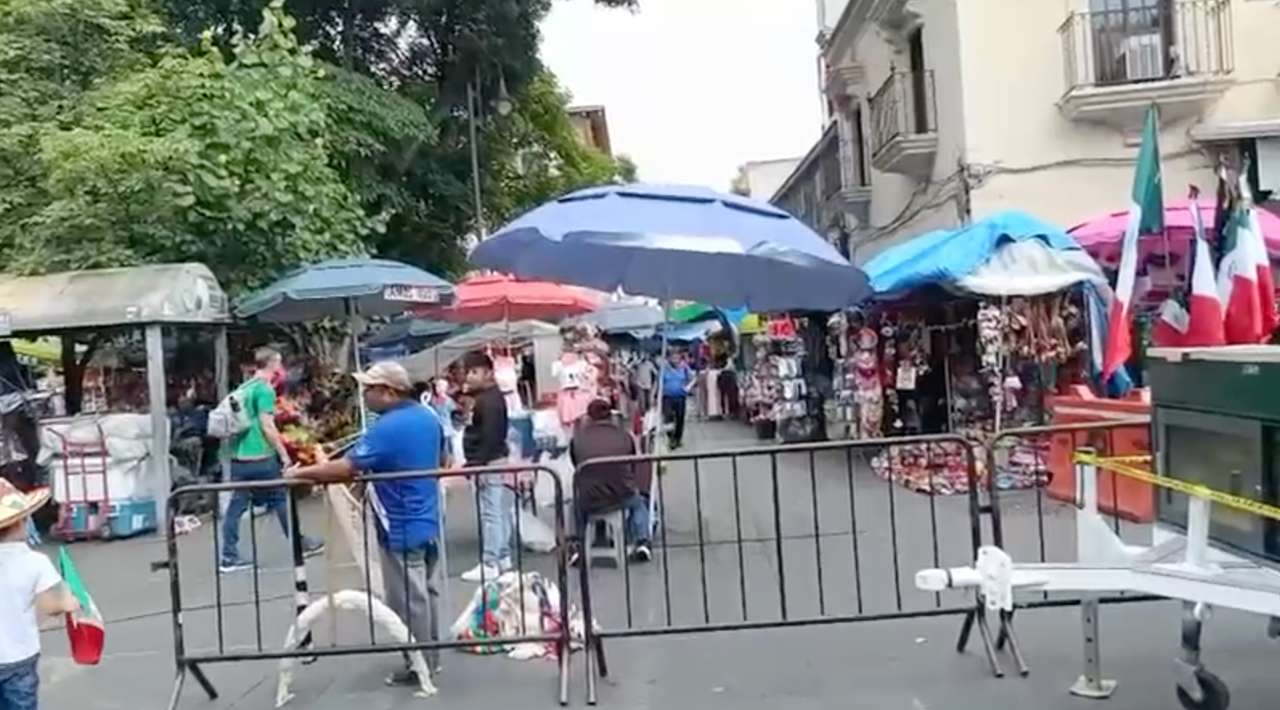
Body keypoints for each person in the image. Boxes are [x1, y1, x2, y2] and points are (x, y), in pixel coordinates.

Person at [286, 361, 443, 686]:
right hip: (427, 517)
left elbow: (348, 467)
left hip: (401, 522)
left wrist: (300, 474)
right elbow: (442, 459)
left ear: (388, 391)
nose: (365, 395)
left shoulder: (389, 426)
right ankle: (430, 658)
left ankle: (421, 664)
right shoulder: (428, 416)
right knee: (425, 594)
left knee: (408, 600)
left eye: (369, 389)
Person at [219, 347, 323, 573]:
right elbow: (267, 426)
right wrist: (283, 453)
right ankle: (300, 544)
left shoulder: (244, 388)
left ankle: (228, 555)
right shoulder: (264, 390)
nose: (281, 367)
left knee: (236, 506)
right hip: (261, 455)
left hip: (239, 457)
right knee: (280, 499)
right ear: (272, 363)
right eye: (279, 362)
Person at [0, 481, 79, 710]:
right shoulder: (35, 562)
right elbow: (54, 604)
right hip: (19, 659)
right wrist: (72, 601)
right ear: (21, 523)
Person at [570, 400, 651, 563]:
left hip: (589, 497)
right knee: (639, 503)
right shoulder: (624, 436)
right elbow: (631, 462)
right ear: (611, 416)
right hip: (621, 494)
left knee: (574, 507)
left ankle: (576, 545)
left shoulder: (577, 439)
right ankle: (641, 542)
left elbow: (576, 463)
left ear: (588, 417)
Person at [459, 352, 511, 583]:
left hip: (488, 462)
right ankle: (503, 558)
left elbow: (490, 435)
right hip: (489, 460)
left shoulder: (489, 401)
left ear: (488, 373)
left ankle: (491, 561)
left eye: (474, 372)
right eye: (468, 372)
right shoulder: (485, 398)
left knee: (491, 513)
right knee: (497, 511)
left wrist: (477, 463)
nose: (469, 377)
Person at [660, 351, 694, 449]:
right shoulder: (664, 369)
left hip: (680, 397)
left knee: (680, 418)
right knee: (668, 418)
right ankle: (671, 439)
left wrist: (688, 387)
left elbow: (693, 378)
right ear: (669, 359)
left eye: (677, 358)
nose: (675, 360)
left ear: (679, 359)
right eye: (673, 358)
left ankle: (678, 439)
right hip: (667, 397)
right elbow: (659, 383)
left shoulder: (684, 368)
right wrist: (654, 396)